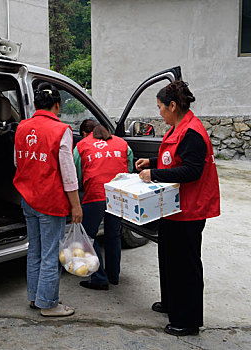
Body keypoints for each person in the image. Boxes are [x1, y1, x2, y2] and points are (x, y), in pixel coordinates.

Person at [136, 80, 220, 336]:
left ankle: (188, 320)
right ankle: (172, 303)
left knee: (185, 265)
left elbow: (193, 170)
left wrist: (155, 175)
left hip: (190, 209)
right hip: (173, 207)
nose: (159, 112)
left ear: (173, 105)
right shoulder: (177, 127)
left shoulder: (192, 131)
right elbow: (173, 157)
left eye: (160, 107)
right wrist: (150, 161)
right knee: (169, 258)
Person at [13, 82, 82, 317]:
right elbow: (68, 172)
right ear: (57, 105)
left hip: (27, 199)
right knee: (51, 253)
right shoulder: (60, 130)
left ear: (35, 104)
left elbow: (17, 162)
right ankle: (49, 304)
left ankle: (35, 297)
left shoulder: (22, 127)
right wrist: (76, 205)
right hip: (50, 200)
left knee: (35, 251)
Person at [73, 119, 133, 290]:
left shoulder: (82, 145)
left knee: (87, 235)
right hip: (117, 194)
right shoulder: (122, 143)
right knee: (113, 234)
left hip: (95, 195)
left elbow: (77, 174)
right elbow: (128, 168)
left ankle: (99, 278)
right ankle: (113, 275)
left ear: (86, 134)